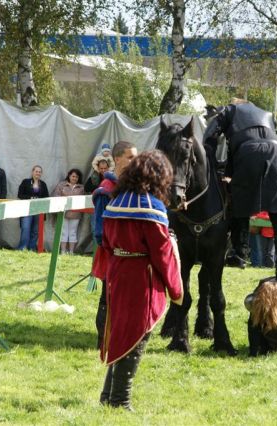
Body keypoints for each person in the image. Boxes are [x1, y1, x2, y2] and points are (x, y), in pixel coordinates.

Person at [98, 150, 183, 411]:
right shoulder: (151, 207)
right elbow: (161, 253)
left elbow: (106, 242)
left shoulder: (116, 201)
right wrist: (176, 288)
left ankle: (107, 395)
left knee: (120, 333)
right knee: (136, 335)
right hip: (140, 277)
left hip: (118, 272)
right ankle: (119, 400)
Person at [203, 99, 277, 281]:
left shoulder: (230, 110)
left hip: (247, 152)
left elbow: (210, 134)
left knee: (239, 203)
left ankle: (240, 253)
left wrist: (209, 161)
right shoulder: (267, 114)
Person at [92, 141, 138, 349]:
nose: (133, 161)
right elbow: (99, 232)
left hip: (132, 257)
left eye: (135, 157)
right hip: (111, 255)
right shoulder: (106, 190)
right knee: (108, 300)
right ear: (117, 159)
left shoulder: (134, 188)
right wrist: (119, 247)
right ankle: (103, 341)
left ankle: (123, 338)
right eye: (130, 157)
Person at [16, 165, 49, 250]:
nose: (38, 173)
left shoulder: (43, 184)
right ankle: (22, 248)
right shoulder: (25, 182)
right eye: (36, 171)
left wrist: (39, 200)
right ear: (32, 172)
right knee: (25, 228)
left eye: (39, 172)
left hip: (39, 210)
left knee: (35, 231)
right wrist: (31, 198)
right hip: (27, 210)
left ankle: (32, 248)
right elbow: (20, 195)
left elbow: (47, 197)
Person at [53, 168, 85, 254]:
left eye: (76, 177)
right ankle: (63, 251)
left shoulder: (81, 187)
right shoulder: (62, 185)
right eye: (73, 176)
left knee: (73, 232)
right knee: (63, 232)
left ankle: (71, 251)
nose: (74, 178)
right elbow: (56, 195)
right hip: (63, 213)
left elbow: (82, 200)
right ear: (69, 176)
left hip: (75, 214)